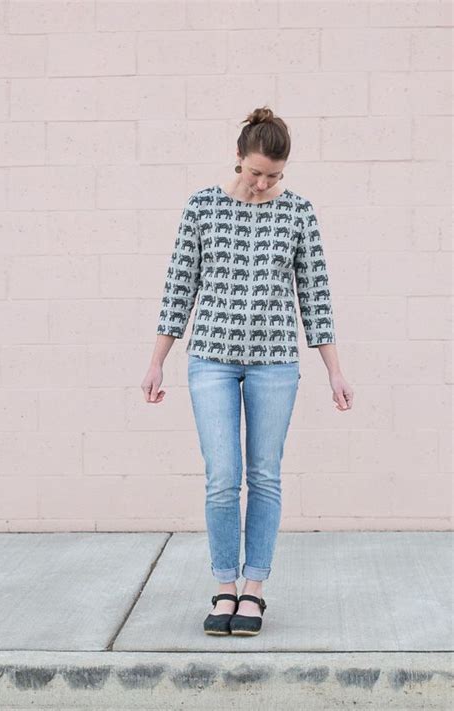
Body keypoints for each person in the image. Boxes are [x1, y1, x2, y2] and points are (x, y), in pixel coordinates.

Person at [142, 105, 354, 637]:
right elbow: (178, 287)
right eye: (256, 172)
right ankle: (224, 586)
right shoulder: (202, 207)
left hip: (275, 362)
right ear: (238, 157)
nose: (263, 184)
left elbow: (316, 296)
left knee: (264, 475)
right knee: (222, 476)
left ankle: (254, 589)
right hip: (210, 360)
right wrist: (157, 361)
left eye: (274, 176)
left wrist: (334, 371)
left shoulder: (298, 212)